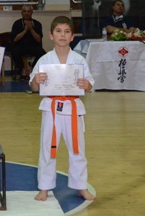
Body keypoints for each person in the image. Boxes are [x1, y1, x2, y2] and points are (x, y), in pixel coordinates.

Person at [29, 16, 95, 202]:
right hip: (51, 109)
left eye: (67, 32)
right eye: (58, 31)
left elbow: (90, 84)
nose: (63, 35)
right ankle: (44, 187)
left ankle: (80, 186)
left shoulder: (79, 60)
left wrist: (86, 84)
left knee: (77, 148)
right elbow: (33, 87)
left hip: (73, 109)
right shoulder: (44, 60)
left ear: (72, 36)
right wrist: (36, 81)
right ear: (51, 35)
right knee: (47, 148)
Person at [11, 5, 46, 79]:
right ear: (22, 13)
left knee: (43, 53)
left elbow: (38, 39)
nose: (26, 13)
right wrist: (25, 30)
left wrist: (31, 29)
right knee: (14, 52)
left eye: (28, 11)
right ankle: (23, 69)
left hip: (33, 46)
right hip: (20, 46)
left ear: (32, 13)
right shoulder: (17, 23)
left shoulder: (37, 24)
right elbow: (15, 39)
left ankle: (31, 68)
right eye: (24, 11)